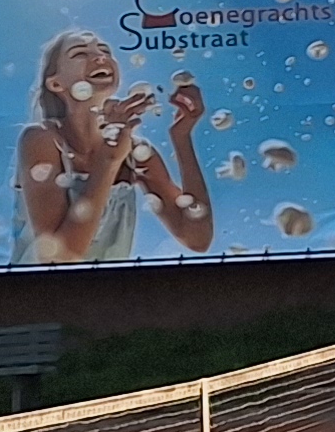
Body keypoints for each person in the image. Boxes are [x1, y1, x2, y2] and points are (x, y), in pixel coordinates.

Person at [15, 29, 216, 263]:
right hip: (41, 287)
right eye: (80, 53)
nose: (100, 58)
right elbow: (58, 260)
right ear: (56, 83)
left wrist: (182, 138)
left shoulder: (135, 153)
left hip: (112, 286)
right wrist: (109, 160)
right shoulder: (41, 140)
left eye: (105, 51)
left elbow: (198, 239)